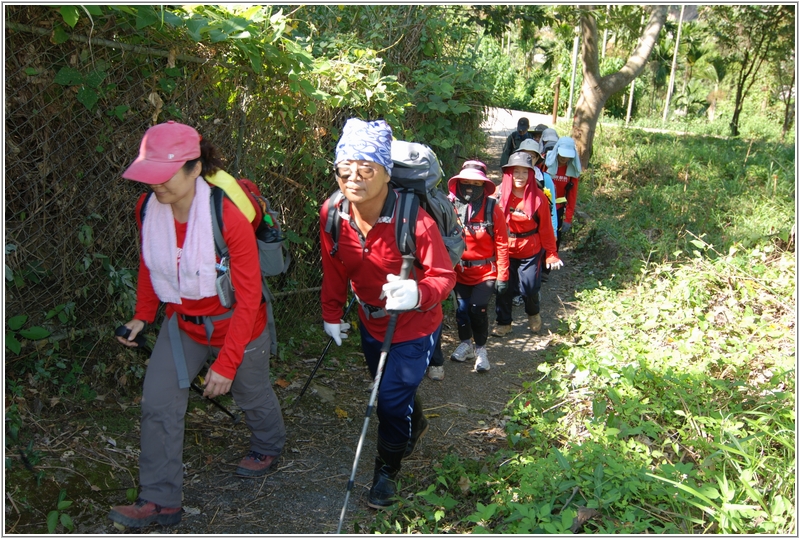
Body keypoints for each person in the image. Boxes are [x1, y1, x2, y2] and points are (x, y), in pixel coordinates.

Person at [109, 121, 286, 528]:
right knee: (158, 404)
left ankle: (268, 444)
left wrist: (225, 363)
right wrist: (142, 315)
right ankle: (160, 501)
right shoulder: (148, 209)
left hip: (236, 321)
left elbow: (248, 297)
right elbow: (151, 263)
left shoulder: (225, 215)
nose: (155, 185)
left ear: (194, 168)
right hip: (182, 322)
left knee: (251, 393)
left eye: (165, 174)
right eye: (150, 173)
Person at [320, 118, 456, 508]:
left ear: (385, 173)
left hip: (416, 325)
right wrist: (331, 313)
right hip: (370, 321)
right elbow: (333, 267)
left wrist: (417, 293)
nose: (354, 179)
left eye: (366, 169)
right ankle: (415, 420)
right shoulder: (333, 213)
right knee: (391, 391)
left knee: (390, 403)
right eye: (345, 170)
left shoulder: (414, 218)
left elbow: (444, 276)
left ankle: (386, 472)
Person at [446, 160, 509, 373]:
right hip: (459, 271)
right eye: (466, 181)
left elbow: (501, 242)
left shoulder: (492, 208)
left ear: (484, 185)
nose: (471, 186)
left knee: (477, 309)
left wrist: (503, 275)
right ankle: (466, 344)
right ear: (459, 182)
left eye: (477, 183)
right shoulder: (450, 206)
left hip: (485, 272)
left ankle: (481, 349)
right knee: (462, 312)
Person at [493, 152, 563, 337]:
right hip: (504, 249)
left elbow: (546, 229)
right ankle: (504, 323)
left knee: (529, 287)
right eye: (516, 171)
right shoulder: (498, 194)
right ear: (508, 173)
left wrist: (551, 253)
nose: (520, 176)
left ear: (531, 174)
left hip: (530, 250)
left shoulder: (538, 197)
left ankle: (533, 313)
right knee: (504, 286)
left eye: (525, 172)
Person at [545, 136, 582, 248]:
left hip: (558, 209)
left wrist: (568, 218)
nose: (564, 158)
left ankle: (551, 263)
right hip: (541, 206)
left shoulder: (572, 171)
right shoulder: (544, 163)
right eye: (562, 154)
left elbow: (572, 196)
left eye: (567, 156)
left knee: (554, 239)